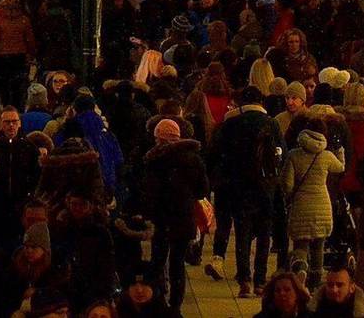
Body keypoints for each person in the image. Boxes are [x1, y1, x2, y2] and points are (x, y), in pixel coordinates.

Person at [211, 85, 283, 297]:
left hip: (239, 186)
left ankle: (244, 278)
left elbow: (218, 155)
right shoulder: (271, 124)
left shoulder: (231, 124)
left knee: (242, 233)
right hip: (266, 186)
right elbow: (282, 154)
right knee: (264, 234)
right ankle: (261, 280)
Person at [136, 119, 207, 314]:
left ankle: (154, 301)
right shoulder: (193, 158)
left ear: (159, 138)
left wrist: (146, 212)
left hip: (161, 217)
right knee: (177, 263)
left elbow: (148, 191)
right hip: (183, 216)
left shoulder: (155, 160)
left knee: (158, 260)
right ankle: (175, 306)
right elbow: (203, 190)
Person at [280, 123, 341, 290]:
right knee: (319, 247)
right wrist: (341, 152)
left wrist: (288, 195)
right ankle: (315, 281)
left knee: (301, 244)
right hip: (322, 205)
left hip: (301, 205)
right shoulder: (327, 155)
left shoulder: (294, 155)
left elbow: (287, 184)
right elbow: (340, 167)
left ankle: (300, 268)